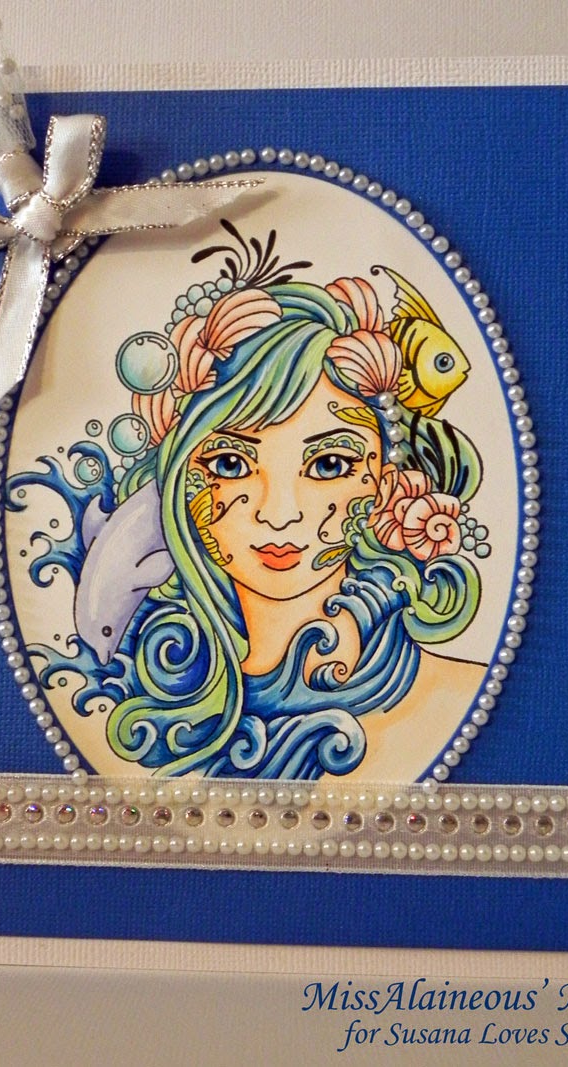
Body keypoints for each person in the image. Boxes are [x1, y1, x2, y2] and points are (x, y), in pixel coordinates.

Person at [66, 245, 488, 780]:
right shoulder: (170, 704)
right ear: (178, 482)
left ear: (385, 485)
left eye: (330, 464)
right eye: (231, 463)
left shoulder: (459, 700)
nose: (278, 513)